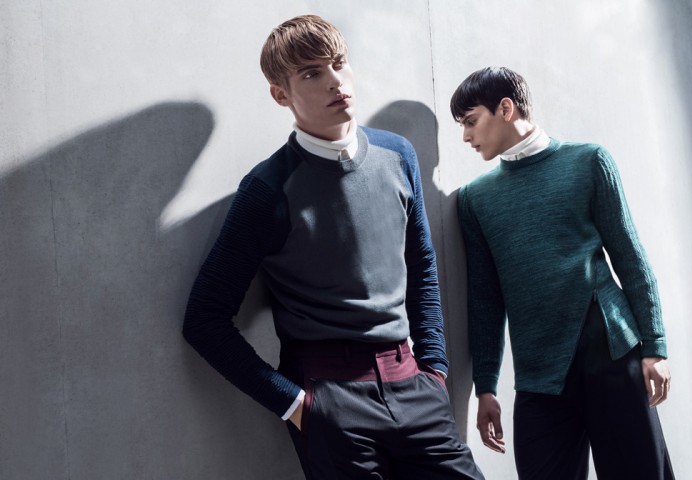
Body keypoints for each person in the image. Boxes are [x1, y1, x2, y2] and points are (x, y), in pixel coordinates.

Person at [182, 15, 483, 480]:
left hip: (414, 385)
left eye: (339, 64)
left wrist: (435, 370)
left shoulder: (398, 154)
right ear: (280, 95)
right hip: (330, 399)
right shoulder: (267, 189)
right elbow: (204, 318)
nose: (335, 81)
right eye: (311, 73)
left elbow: (421, 265)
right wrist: (296, 406)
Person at [451, 66, 674, 479]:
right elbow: (485, 299)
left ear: (505, 109)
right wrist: (485, 387)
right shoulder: (475, 200)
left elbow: (629, 257)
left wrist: (655, 346)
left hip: (611, 353)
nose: (465, 136)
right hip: (538, 377)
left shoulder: (589, 162)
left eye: (470, 121)